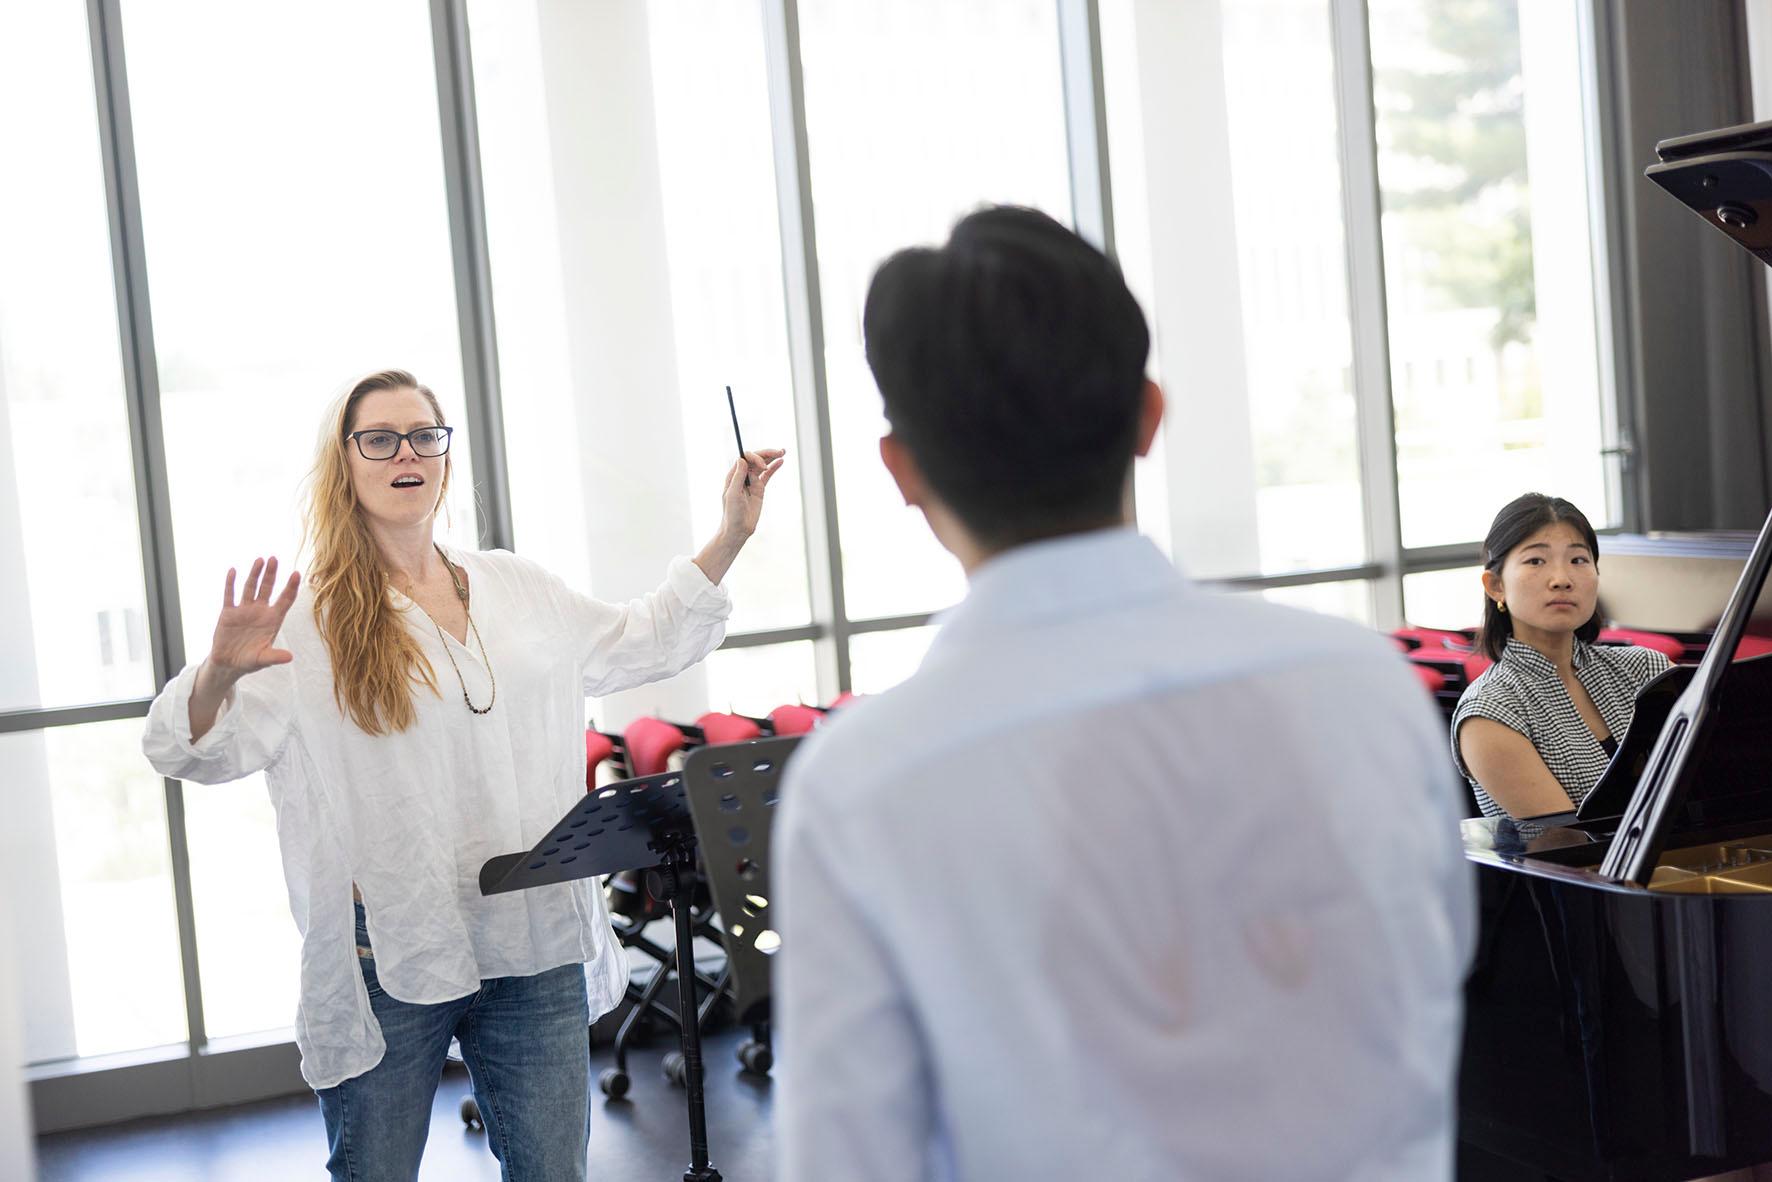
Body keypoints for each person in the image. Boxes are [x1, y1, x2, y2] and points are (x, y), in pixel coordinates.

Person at [772, 207, 1474, 1181]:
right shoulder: (1361, 686)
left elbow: (849, 1155)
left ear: (901, 469)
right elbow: (1432, 983)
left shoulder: (863, 784)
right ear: (1148, 414)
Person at [141, 369, 784, 1182]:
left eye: (424, 435)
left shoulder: (517, 587)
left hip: (532, 934)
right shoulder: (309, 619)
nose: (405, 453)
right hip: (393, 951)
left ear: (444, 455)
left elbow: (644, 637)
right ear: (344, 462)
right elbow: (189, 751)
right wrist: (217, 676)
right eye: (379, 439)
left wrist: (730, 532)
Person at [1452, 493, 1672, 820]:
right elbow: (1572, 843)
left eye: (1578, 560)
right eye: (1536, 561)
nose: (1562, 580)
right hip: (1587, 869)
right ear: (1496, 585)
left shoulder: (1648, 669)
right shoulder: (1490, 711)